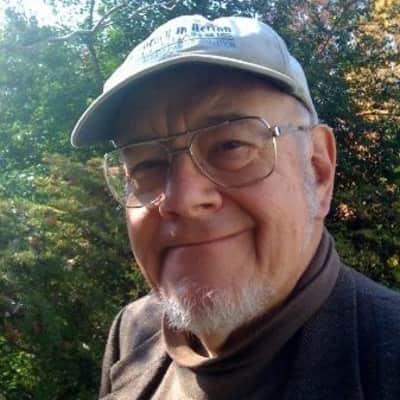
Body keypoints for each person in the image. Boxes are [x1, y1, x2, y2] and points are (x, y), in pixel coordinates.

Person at [71, 15, 400, 400]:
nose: (183, 200)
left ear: (318, 170)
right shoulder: (132, 333)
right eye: (146, 165)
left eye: (231, 146)